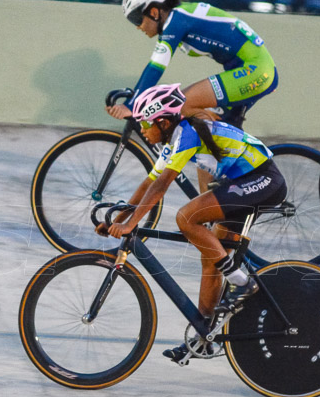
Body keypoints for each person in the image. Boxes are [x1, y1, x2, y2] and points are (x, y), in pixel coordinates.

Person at [98, 84, 287, 365]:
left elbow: (162, 186)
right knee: (211, 259)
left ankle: (242, 283)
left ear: (162, 121)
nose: (144, 132)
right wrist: (119, 220)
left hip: (263, 180)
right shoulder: (171, 139)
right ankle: (203, 340)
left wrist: (130, 225)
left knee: (187, 217)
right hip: (241, 183)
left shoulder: (186, 132)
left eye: (146, 125)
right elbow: (148, 182)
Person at [106, 0, 279, 189]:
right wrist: (134, 97)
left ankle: (248, 181)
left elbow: (156, 67)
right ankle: (212, 212)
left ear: (153, 12)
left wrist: (131, 106)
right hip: (253, 69)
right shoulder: (178, 16)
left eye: (136, 18)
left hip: (255, 69)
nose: (137, 26)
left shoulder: (175, 21)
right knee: (206, 139)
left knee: (183, 102)